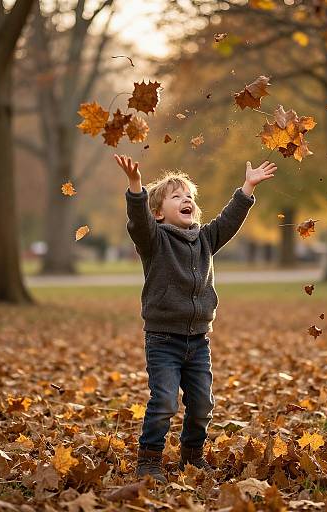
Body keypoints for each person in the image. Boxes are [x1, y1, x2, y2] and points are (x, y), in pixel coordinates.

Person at [114, 154, 277, 483]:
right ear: (159, 213)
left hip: (198, 341)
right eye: (176, 196)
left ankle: (192, 456)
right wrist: (136, 188)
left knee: (202, 403)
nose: (186, 199)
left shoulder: (205, 238)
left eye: (189, 196)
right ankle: (148, 460)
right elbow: (139, 223)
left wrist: (246, 188)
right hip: (163, 340)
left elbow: (228, 221)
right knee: (163, 401)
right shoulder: (155, 240)